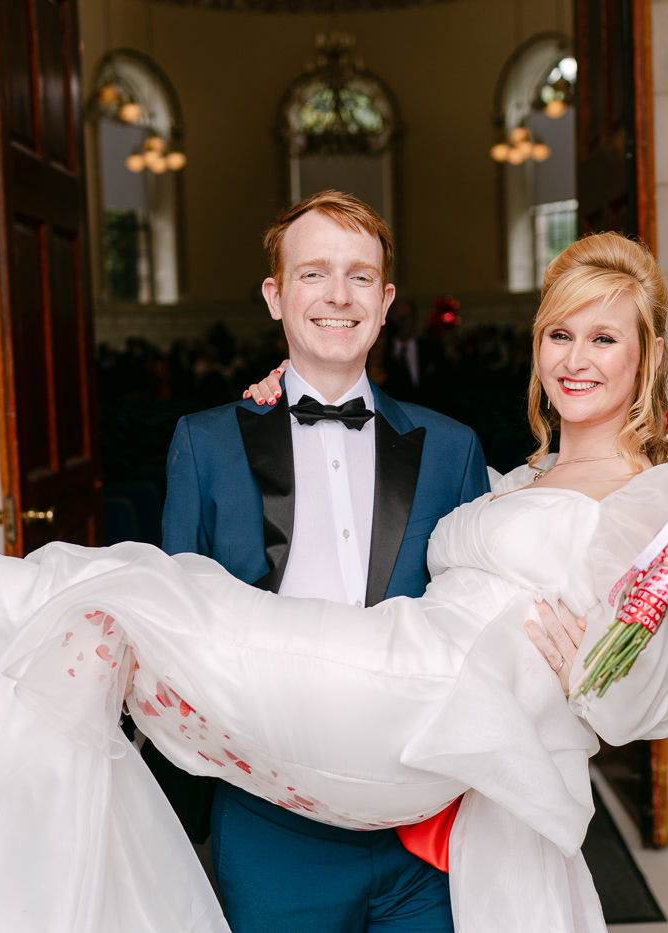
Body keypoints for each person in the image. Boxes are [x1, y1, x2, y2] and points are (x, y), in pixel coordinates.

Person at [0, 231, 668, 933]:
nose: (575, 358)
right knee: (107, 613)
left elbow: (652, 698)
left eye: (602, 338)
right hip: (376, 706)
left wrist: (642, 628)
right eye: (558, 335)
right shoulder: (511, 474)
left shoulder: (664, 499)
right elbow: (468, 538)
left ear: (646, 356)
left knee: (124, 591)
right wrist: (275, 403)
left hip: (421, 711)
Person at [151, 191, 489, 932]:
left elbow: (483, 616)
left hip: (422, 826)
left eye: (360, 276)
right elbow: (174, 633)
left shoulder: (452, 448)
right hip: (272, 825)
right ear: (275, 296)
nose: (338, 294)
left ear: (387, 298)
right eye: (313, 274)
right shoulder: (204, 446)